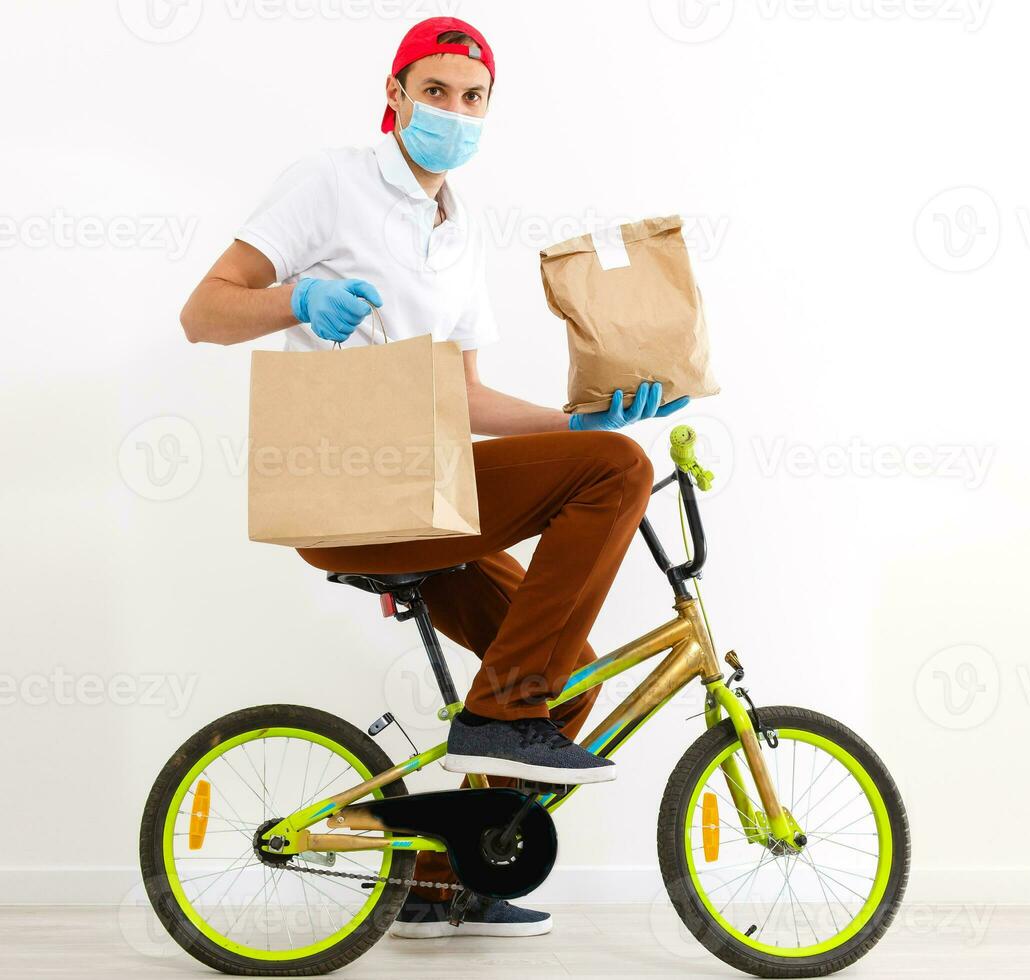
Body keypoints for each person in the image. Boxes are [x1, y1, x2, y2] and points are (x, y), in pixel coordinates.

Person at [179, 16, 686, 939]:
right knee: (615, 476)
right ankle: (498, 713)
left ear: (489, 110)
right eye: (436, 92)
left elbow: (463, 397)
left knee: (567, 679)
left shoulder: (459, 230)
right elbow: (202, 313)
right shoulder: (329, 182)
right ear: (396, 94)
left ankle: (439, 880)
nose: (453, 111)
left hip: (426, 490)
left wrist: (575, 423)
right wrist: (298, 297)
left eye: (472, 97)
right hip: (350, 484)